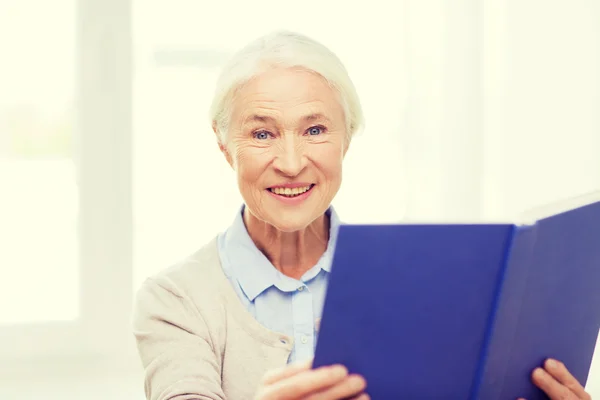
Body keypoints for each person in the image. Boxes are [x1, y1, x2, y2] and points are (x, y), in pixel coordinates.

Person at [132, 31, 592, 400]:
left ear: (346, 139)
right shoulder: (175, 301)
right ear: (224, 145)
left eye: (315, 129)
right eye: (262, 133)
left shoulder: (416, 279)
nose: (291, 162)